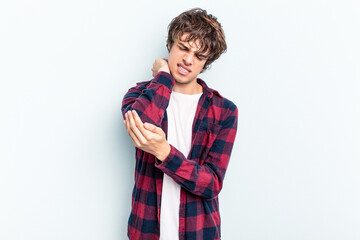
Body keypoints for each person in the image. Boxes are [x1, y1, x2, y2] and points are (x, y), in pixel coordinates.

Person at [122, 8, 238, 240]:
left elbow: (211, 184)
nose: (188, 59)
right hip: (145, 230)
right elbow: (141, 125)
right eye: (184, 48)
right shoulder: (138, 94)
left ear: (206, 62)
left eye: (199, 56)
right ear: (170, 45)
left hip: (199, 232)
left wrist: (164, 152)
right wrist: (163, 77)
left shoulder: (224, 111)